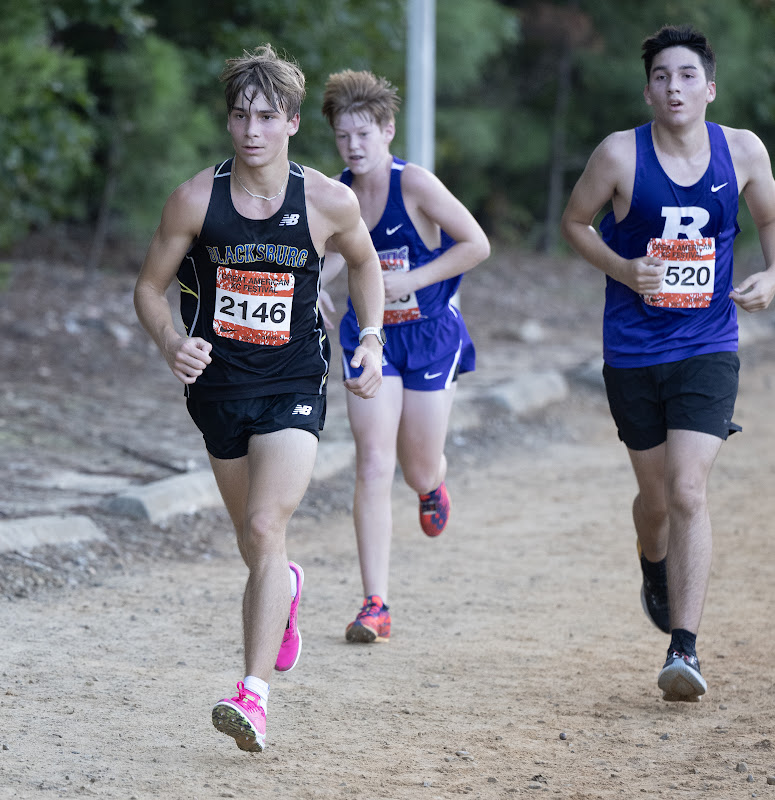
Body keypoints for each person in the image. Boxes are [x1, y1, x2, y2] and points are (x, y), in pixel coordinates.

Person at [133, 45, 384, 752]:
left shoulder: (326, 202)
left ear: (293, 123)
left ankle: (252, 692)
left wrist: (370, 341)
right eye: (240, 115)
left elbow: (363, 265)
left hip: (293, 382)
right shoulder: (194, 200)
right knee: (254, 538)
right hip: (217, 389)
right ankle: (286, 591)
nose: (251, 130)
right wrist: (171, 341)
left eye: (266, 117)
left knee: (267, 523)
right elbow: (148, 289)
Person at [561, 24, 775, 701]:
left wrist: (773, 276)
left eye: (685, 75)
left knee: (687, 489)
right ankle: (652, 561)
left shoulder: (740, 150)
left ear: (708, 87)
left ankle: (682, 649)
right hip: (631, 351)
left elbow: (769, 221)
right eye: (660, 76)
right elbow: (574, 222)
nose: (672, 86)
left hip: (707, 345)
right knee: (654, 499)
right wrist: (625, 269)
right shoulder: (618, 156)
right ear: (647, 89)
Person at [319, 70, 490, 643]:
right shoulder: (335, 195)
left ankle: (431, 483)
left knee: (416, 465)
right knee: (372, 461)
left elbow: (476, 243)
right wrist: (316, 283)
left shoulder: (414, 184)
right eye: (344, 136)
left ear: (388, 131)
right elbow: (335, 256)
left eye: (365, 133)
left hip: (430, 336)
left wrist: (412, 277)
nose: (355, 146)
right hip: (369, 338)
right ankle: (376, 603)